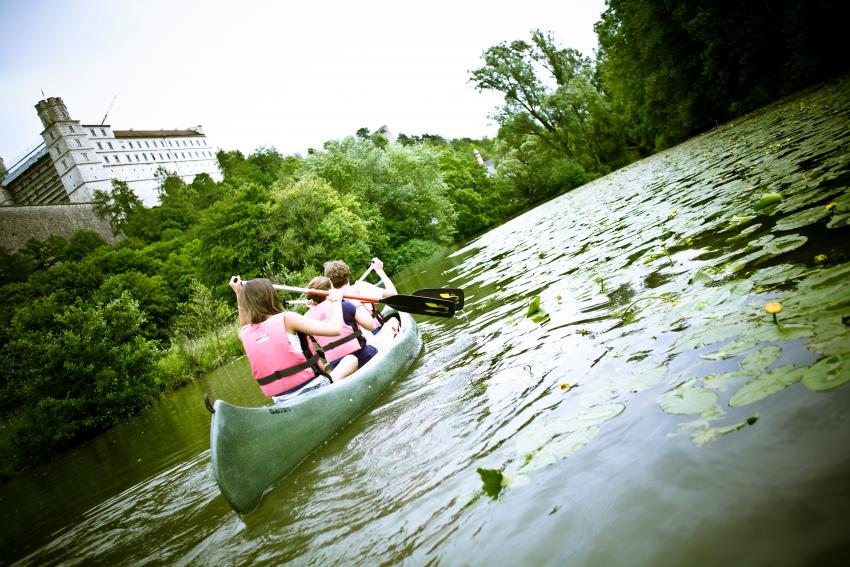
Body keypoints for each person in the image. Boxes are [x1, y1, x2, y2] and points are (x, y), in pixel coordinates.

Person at [229, 275, 348, 404]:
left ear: (247, 303)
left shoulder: (244, 333)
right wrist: (336, 301)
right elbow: (336, 329)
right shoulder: (287, 319)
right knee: (350, 359)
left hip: (282, 400)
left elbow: (245, 323)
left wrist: (239, 293)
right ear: (270, 297)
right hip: (314, 388)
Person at [304, 276, 378, 380]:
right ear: (330, 290)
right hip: (362, 357)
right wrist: (354, 304)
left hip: (335, 364)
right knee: (373, 343)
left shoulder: (306, 318)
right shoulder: (345, 305)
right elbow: (372, 326)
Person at [323, 258, 401, 346]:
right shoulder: (360, 287)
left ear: (329, 281)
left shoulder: (332, 301)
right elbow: (393, 294)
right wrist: (380, 271)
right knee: (394, 320)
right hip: (376, 333)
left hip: (359, 344)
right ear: (348, 271)